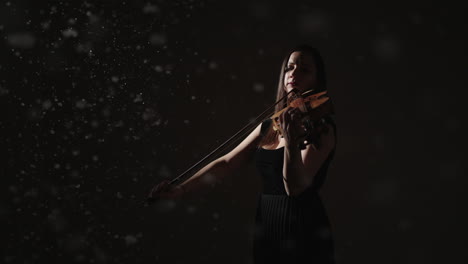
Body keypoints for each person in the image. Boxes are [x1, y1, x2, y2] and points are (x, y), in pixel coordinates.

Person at [148, 45, 337, 263]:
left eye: (304, 70)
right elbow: (227, 162)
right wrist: (181, 189)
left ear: (317, 80)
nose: (293, 74)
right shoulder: (270, 126)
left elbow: (294, 188)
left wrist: (292, 142)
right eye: (289, 67)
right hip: (267, 223)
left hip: (303, 228)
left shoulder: (320, 128)